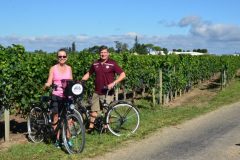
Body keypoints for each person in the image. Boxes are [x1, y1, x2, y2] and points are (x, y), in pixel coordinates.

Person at [81, 45, 126, 133]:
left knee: (107, 111)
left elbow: (123, 75)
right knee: (93, 110)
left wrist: (113, 83)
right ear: (99, 53)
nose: (103, 54)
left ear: (108, 53)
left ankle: (106, 127)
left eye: (105, 52)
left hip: (107, 92)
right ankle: (91, 127)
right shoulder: (95, 63)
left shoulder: (112, 63)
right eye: (101, 52)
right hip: (97, 91)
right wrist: (81, 81)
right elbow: (89, 73)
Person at [44, 48, 73, 147]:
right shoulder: (53, 68)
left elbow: (71, 82)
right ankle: (57, 139)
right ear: (57, 57)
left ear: (67, 57)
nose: (62, 58)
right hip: (56, 95)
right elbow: (49, 81)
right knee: (56, 117)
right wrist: (47, 84)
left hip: (67, 96)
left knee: (69, 118)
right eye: (60, 56)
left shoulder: (69, 68)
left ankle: (68, 139)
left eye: (64, 56)